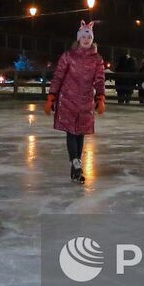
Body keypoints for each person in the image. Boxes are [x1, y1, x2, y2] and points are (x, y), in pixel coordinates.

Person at [46, 21, 106, 183]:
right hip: (68, 98)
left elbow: (100, 80)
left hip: (85, 100)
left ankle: (75, 168)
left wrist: (100, 96)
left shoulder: (97, 59)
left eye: (89, 37)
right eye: (84, 36)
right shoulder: (68, 56)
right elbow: (58, 76)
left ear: (92, 39)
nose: (86, 39)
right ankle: (75, 162)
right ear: (78, 38)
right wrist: (52, 95)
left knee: (80, 132)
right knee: (71, 131)